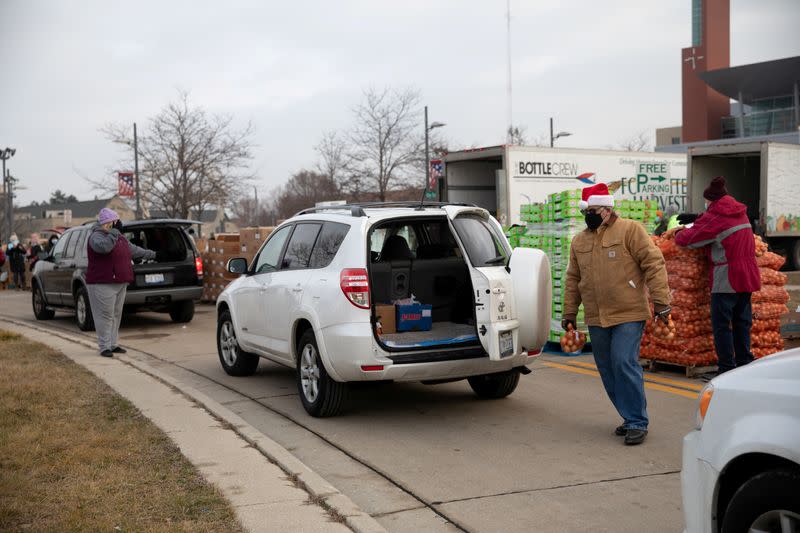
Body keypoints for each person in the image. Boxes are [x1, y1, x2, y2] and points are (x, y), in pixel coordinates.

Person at [563, 183, 671, 446]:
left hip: (629, 312)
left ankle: (637, 421)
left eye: (594, 210)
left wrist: (661, 302)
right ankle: (628, 415)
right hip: (596, 316)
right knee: (607, 368)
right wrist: (569, 313)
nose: (589, 215)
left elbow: (653, 263)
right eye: (586, 211)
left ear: (608, 208)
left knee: (624, 362)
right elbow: (573, 279)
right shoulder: (579, 241)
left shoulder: (630, 230)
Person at [666, 176, 761, 381]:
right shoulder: (737, 211)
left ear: (712, 201)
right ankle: (745, 363)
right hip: (748, 276)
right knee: (742, 322)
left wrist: (678, 233)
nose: (706, 205)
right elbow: (714, 222)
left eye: (707, 202)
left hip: (727, 278)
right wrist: (700, 217)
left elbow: (689, 239)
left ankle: (726, 368)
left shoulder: (717, 218)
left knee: (722, 325)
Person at [86, 208, 158, 357]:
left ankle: (113, 344)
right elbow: (104, 247)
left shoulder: (119, 238)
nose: (119, 224)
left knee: (116, 314)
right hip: (103, 282)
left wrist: (155, 254)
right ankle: (104, 346)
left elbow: (134, 250)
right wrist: (114, 233)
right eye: (116, 221)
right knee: (105, 316)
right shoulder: (96, 236)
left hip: (120, 282)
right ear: (108, 223)